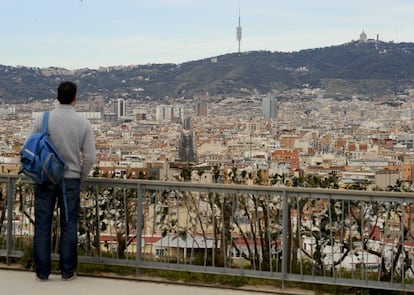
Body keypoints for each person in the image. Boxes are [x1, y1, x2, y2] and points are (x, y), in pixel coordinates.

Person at [29, 81, 96, 281]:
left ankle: (42, 271)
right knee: (69, 225)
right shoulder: (83, 123)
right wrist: (80, 175)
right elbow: (90, 157)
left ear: (57, 97)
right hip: (71, 179)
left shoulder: (42, 118)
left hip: (45, 178)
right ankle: (67, 271)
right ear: (75, 98)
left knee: (42, 224)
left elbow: (29, 148)